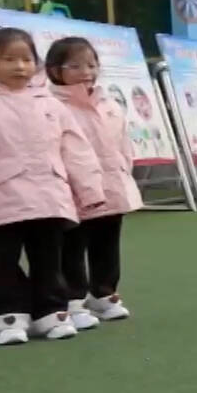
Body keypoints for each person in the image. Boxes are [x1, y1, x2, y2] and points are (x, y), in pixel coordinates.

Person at [0, 26, 105, 345]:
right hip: (1, 200)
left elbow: (76, 150)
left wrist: (89, 191)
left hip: (49, 197)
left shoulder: (50, 104)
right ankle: (9, 316)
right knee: (1, 263)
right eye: (9, 59)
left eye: (26, 59)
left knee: (49, 261)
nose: (20, 66)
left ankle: (50, 314)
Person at [47, 37, 143, 330]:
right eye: (75, 66)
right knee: (73, 247)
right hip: (74, 191)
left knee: (107, 243)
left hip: (111, 187)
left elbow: (123, 143)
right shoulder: (52, 106)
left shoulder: (108, 103)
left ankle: (104, 293)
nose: (86, 72)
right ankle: (73, 300)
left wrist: (124, 170)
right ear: (55, 70)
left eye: (91, 64)